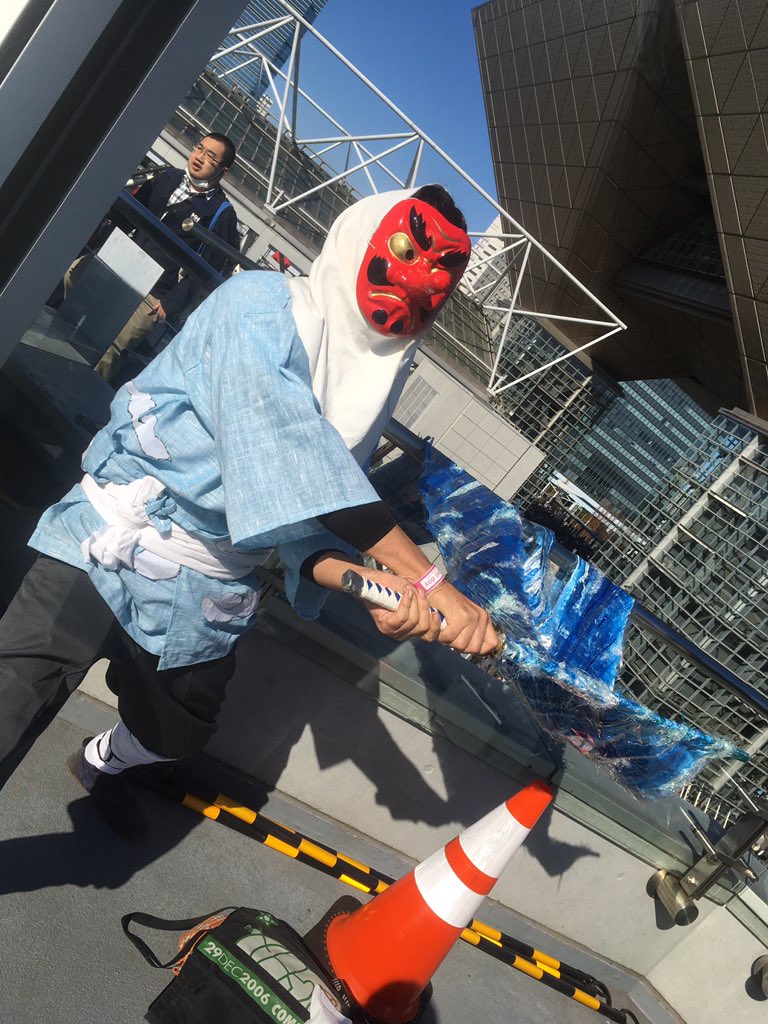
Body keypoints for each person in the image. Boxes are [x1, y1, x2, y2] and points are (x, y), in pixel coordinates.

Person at [0, 184, 497, 839]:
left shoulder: (366, 393)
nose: (422, 279)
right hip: (106, 542)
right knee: (11, 698)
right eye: (408, 248)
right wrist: (428, 578)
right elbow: (289, 448)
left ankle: (102, 760)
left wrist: (379, 589)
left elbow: (305, 535)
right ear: (360, 238)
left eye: (443, 274)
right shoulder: (257, 302)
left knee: (176, 731)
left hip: (205, 593)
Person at [93, 133, 241, 381]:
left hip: (154, 294)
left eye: (210, 157)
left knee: (111, 350)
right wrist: (101, 245)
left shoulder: (222, 214)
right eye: (200, 148)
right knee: (76, 304)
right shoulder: (168, 177)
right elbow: (125, 215)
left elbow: (208, 267)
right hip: (117, 264)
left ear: (223, 171)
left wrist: (170, 303)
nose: (200, 157)